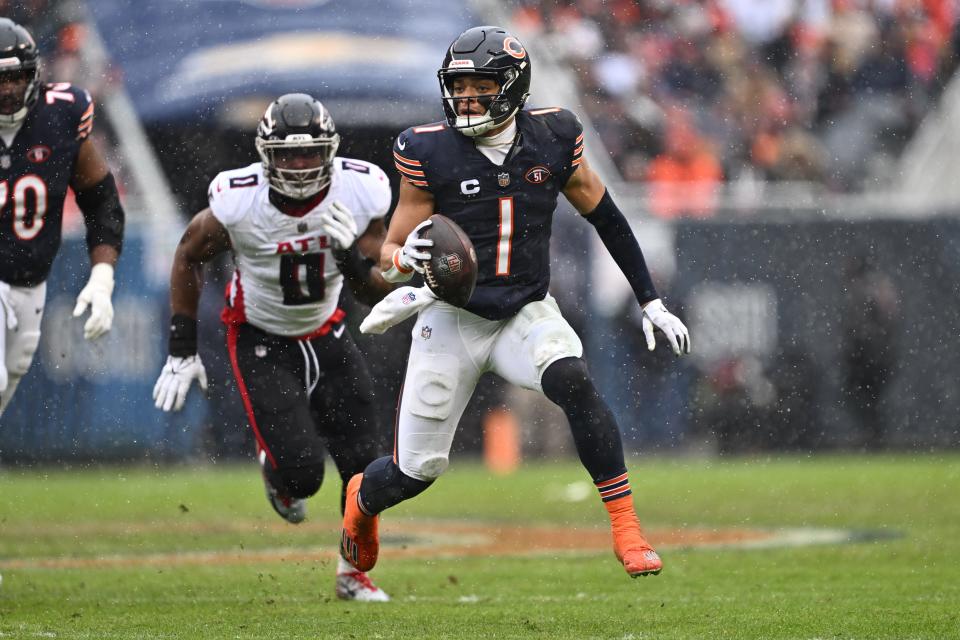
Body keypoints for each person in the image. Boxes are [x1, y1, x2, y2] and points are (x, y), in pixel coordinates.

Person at [340, 26, 690, 580]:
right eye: (459, 87)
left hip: (524, 311)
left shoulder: (554, 136)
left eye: (481, 87)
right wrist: (407, 260)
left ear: (513, 87)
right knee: (415, 472)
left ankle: (627, 527)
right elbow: (388, 252)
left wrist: (650, 300)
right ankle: (361, 504)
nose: (467, 99)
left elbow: (607, 217)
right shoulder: (426, 148)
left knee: (573, 379)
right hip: (451, 317)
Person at [152, 94, 394, 601]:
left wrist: (348, 255)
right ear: (265, 154)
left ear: (331, 151)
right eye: (288, 155)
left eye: (311, 154)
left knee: (364, 469)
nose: (301, 166)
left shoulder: (361, 189)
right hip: (261, 337)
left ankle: (352, 574)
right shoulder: (239, 199)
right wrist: (181, 346)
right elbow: (187, 254)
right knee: (303, 477)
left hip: (328, 331)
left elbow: (373, 290)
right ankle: (277, 473)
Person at [0, 18, 123, 417]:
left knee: (8, 378)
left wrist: (103, 277)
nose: (7, 90)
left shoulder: (61, 116)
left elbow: (101, 199)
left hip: (29, 284)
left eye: (16, 78)